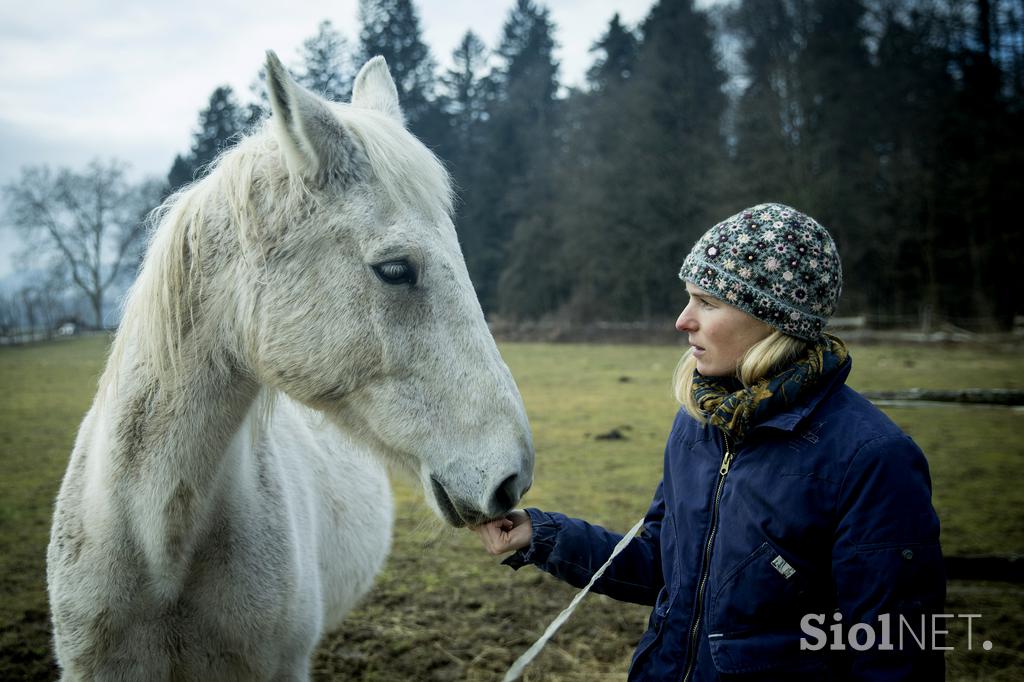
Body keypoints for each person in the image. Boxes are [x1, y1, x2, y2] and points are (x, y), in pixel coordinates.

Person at [473, 203, 945, 680]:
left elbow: (895, 655)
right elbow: (664, 565)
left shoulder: (872, 460)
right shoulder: (699, 424)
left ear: (773, 318)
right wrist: (543, 533)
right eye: (688, 298)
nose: (683, 320)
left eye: (708, 302)